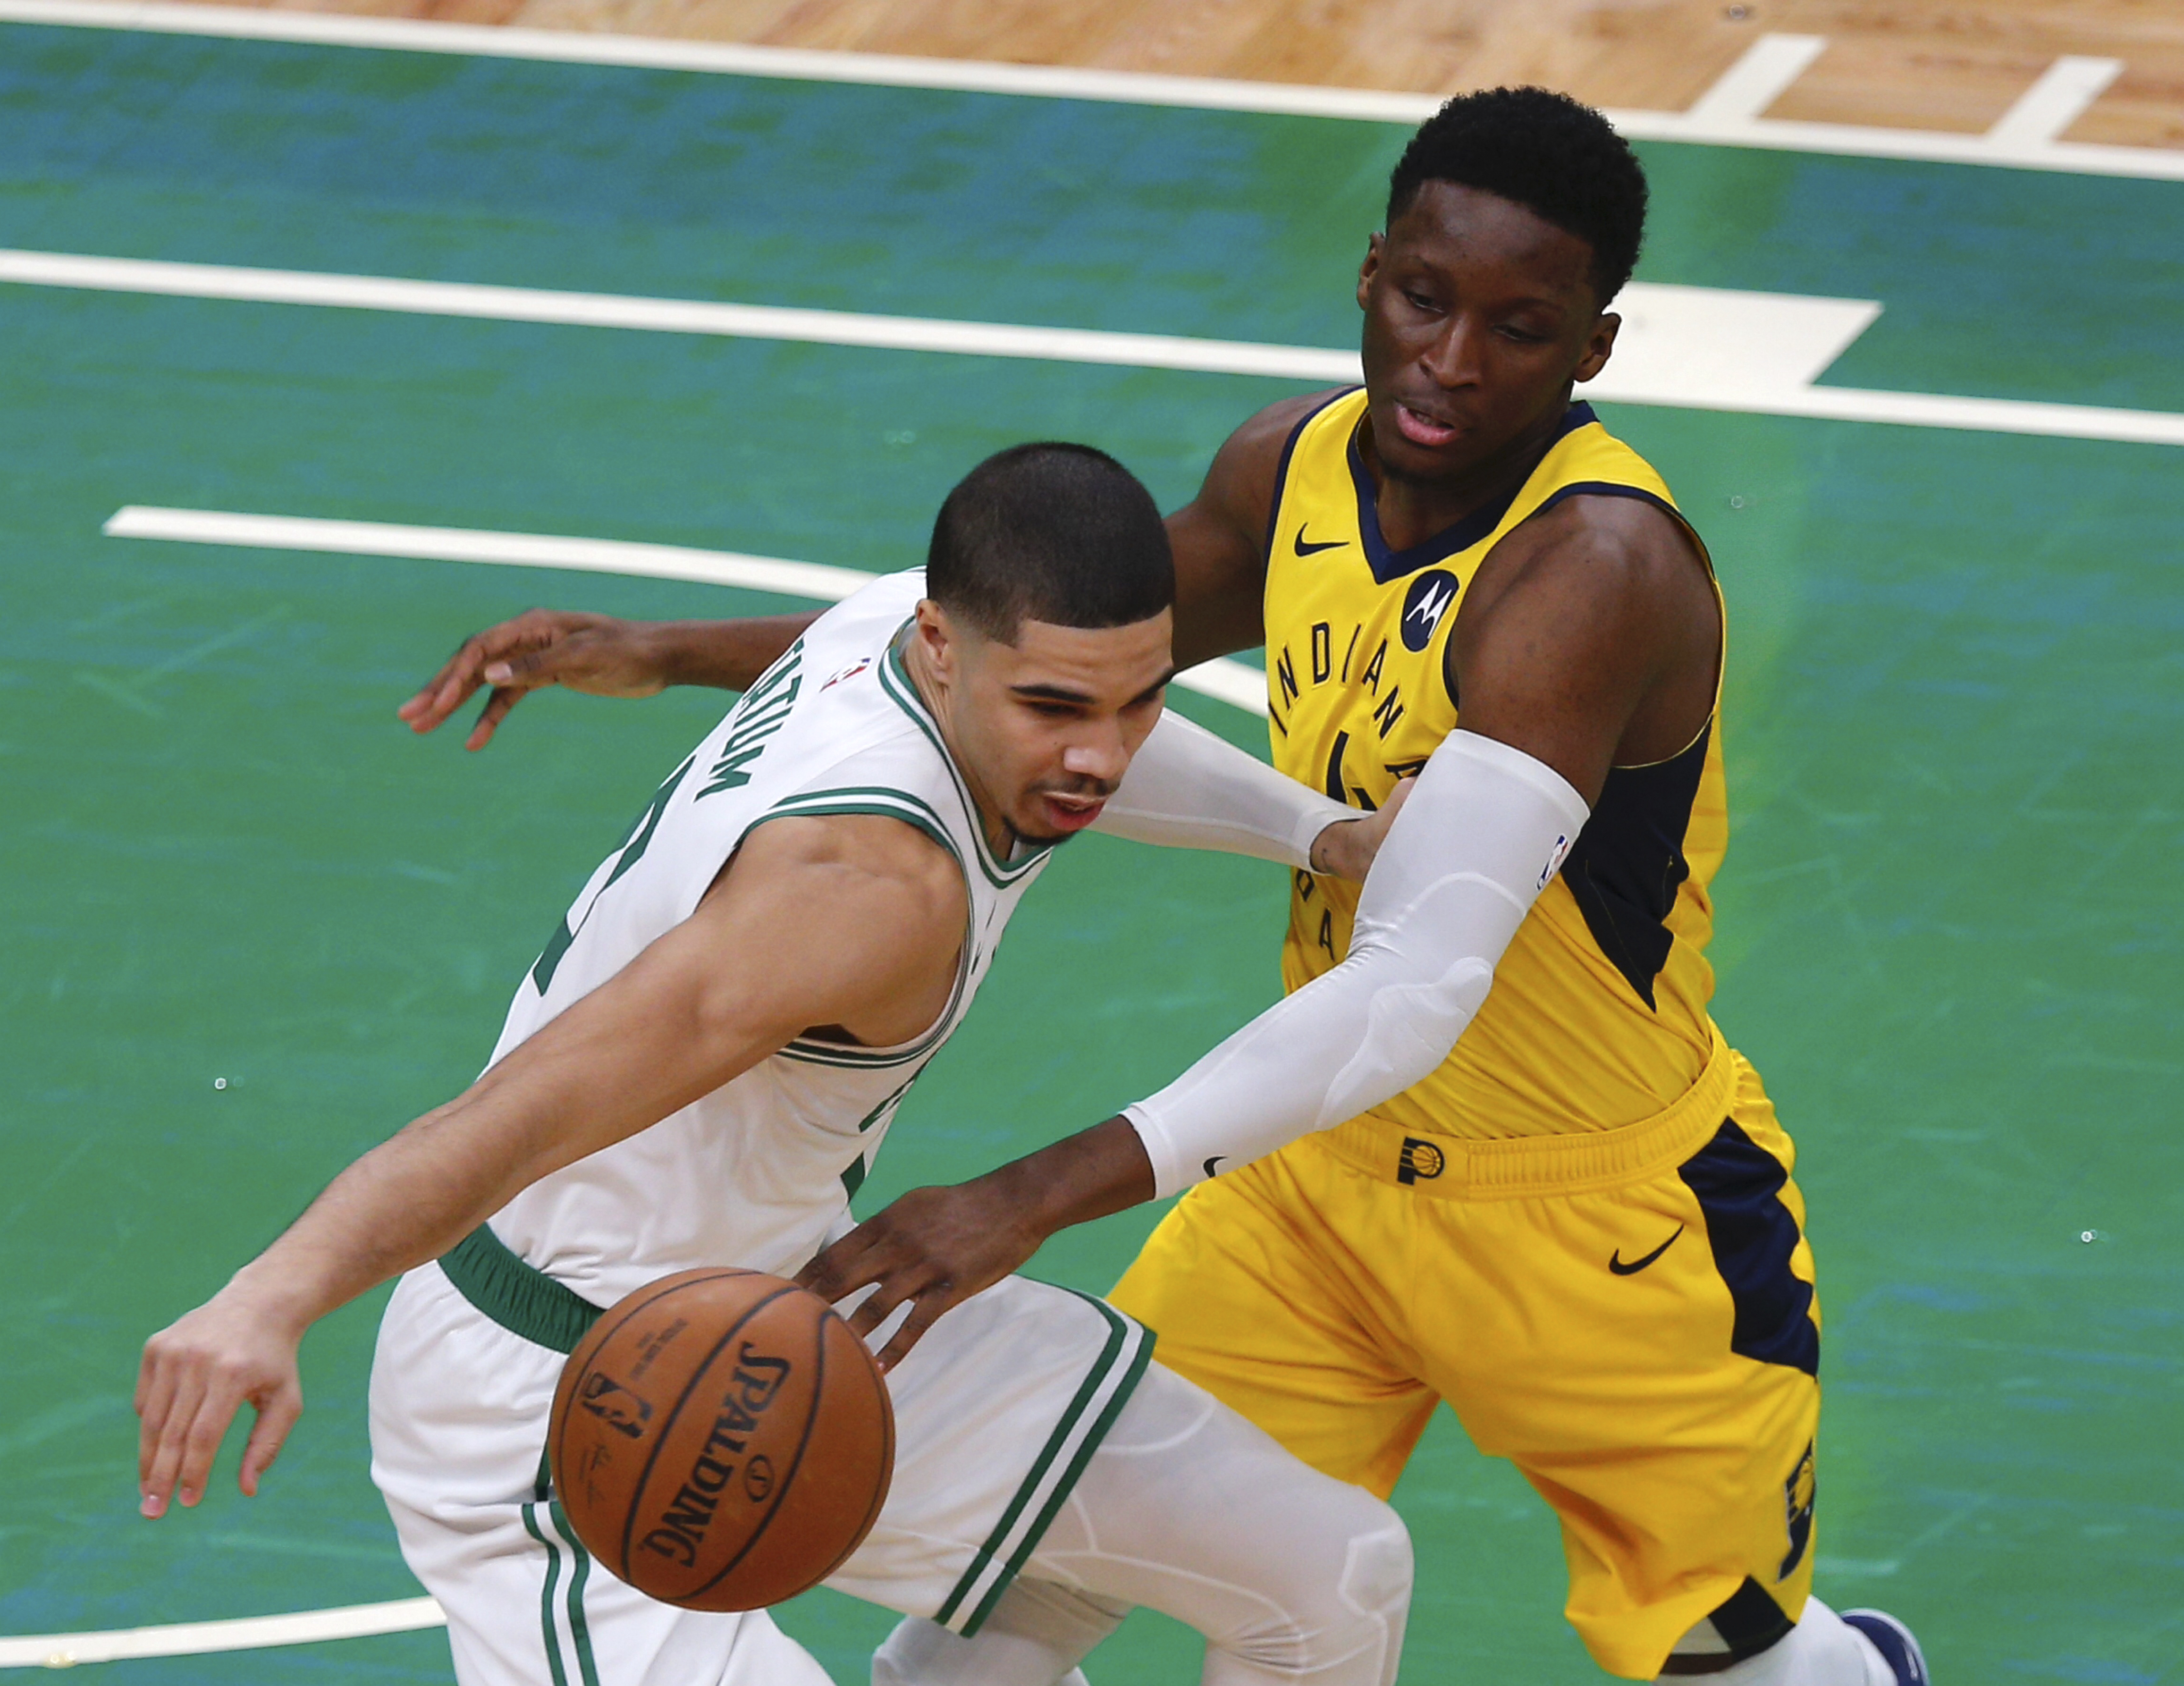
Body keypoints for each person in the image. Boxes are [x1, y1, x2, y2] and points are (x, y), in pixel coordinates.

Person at [399, 92, 1930, 1686]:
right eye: (1424, 299)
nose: (1452, 361)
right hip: (1310, 1183)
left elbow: (1416, 986)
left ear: (1593, 349)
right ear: (1367, 275)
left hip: (1601, 1224)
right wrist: (661, 654)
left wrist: (1022, 1196)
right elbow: (1016, 661)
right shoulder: (1291, 472)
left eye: (1520, 326)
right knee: (1001, 1619)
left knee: (1722, 1655)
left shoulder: (1592, 573)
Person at [136, 443, 1417, 1686]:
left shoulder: (897, 639)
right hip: (567, 1416)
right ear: (940, 650)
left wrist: (1322, 835)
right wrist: (273, 1291)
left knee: (1330, 1573)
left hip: (802, 1308)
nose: (1100, 750)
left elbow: (842, 640)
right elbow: (513, 1119)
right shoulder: (861, 890)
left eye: (1135, 698)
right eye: (1052, 707)